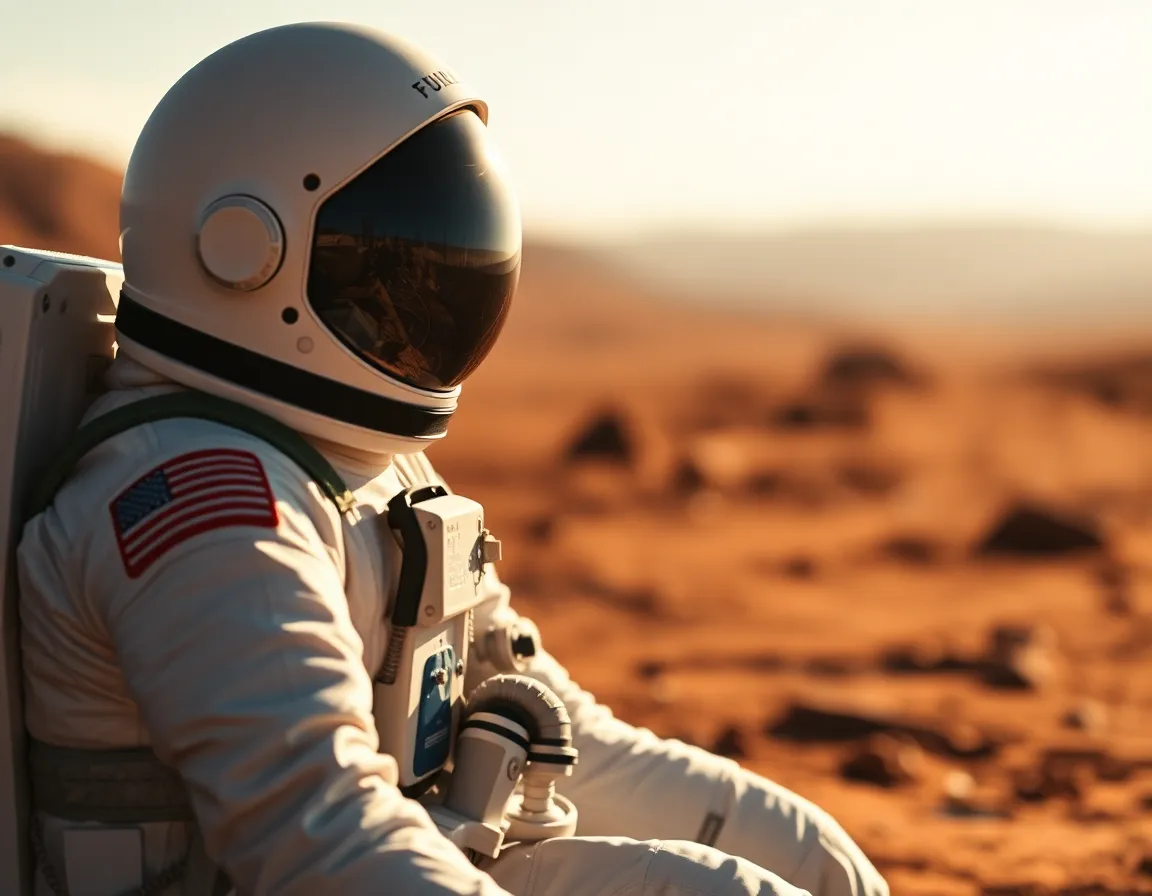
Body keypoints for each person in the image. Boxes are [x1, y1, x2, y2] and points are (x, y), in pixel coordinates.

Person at [16, 21, 887, 896]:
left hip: (419, 848)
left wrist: (807, 849)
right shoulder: (203, 508)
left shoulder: (352, 467)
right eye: (388, 263)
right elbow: (320, 838)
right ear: (244, 251)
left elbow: (570, 735)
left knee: (786, 870)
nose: (422, 298)